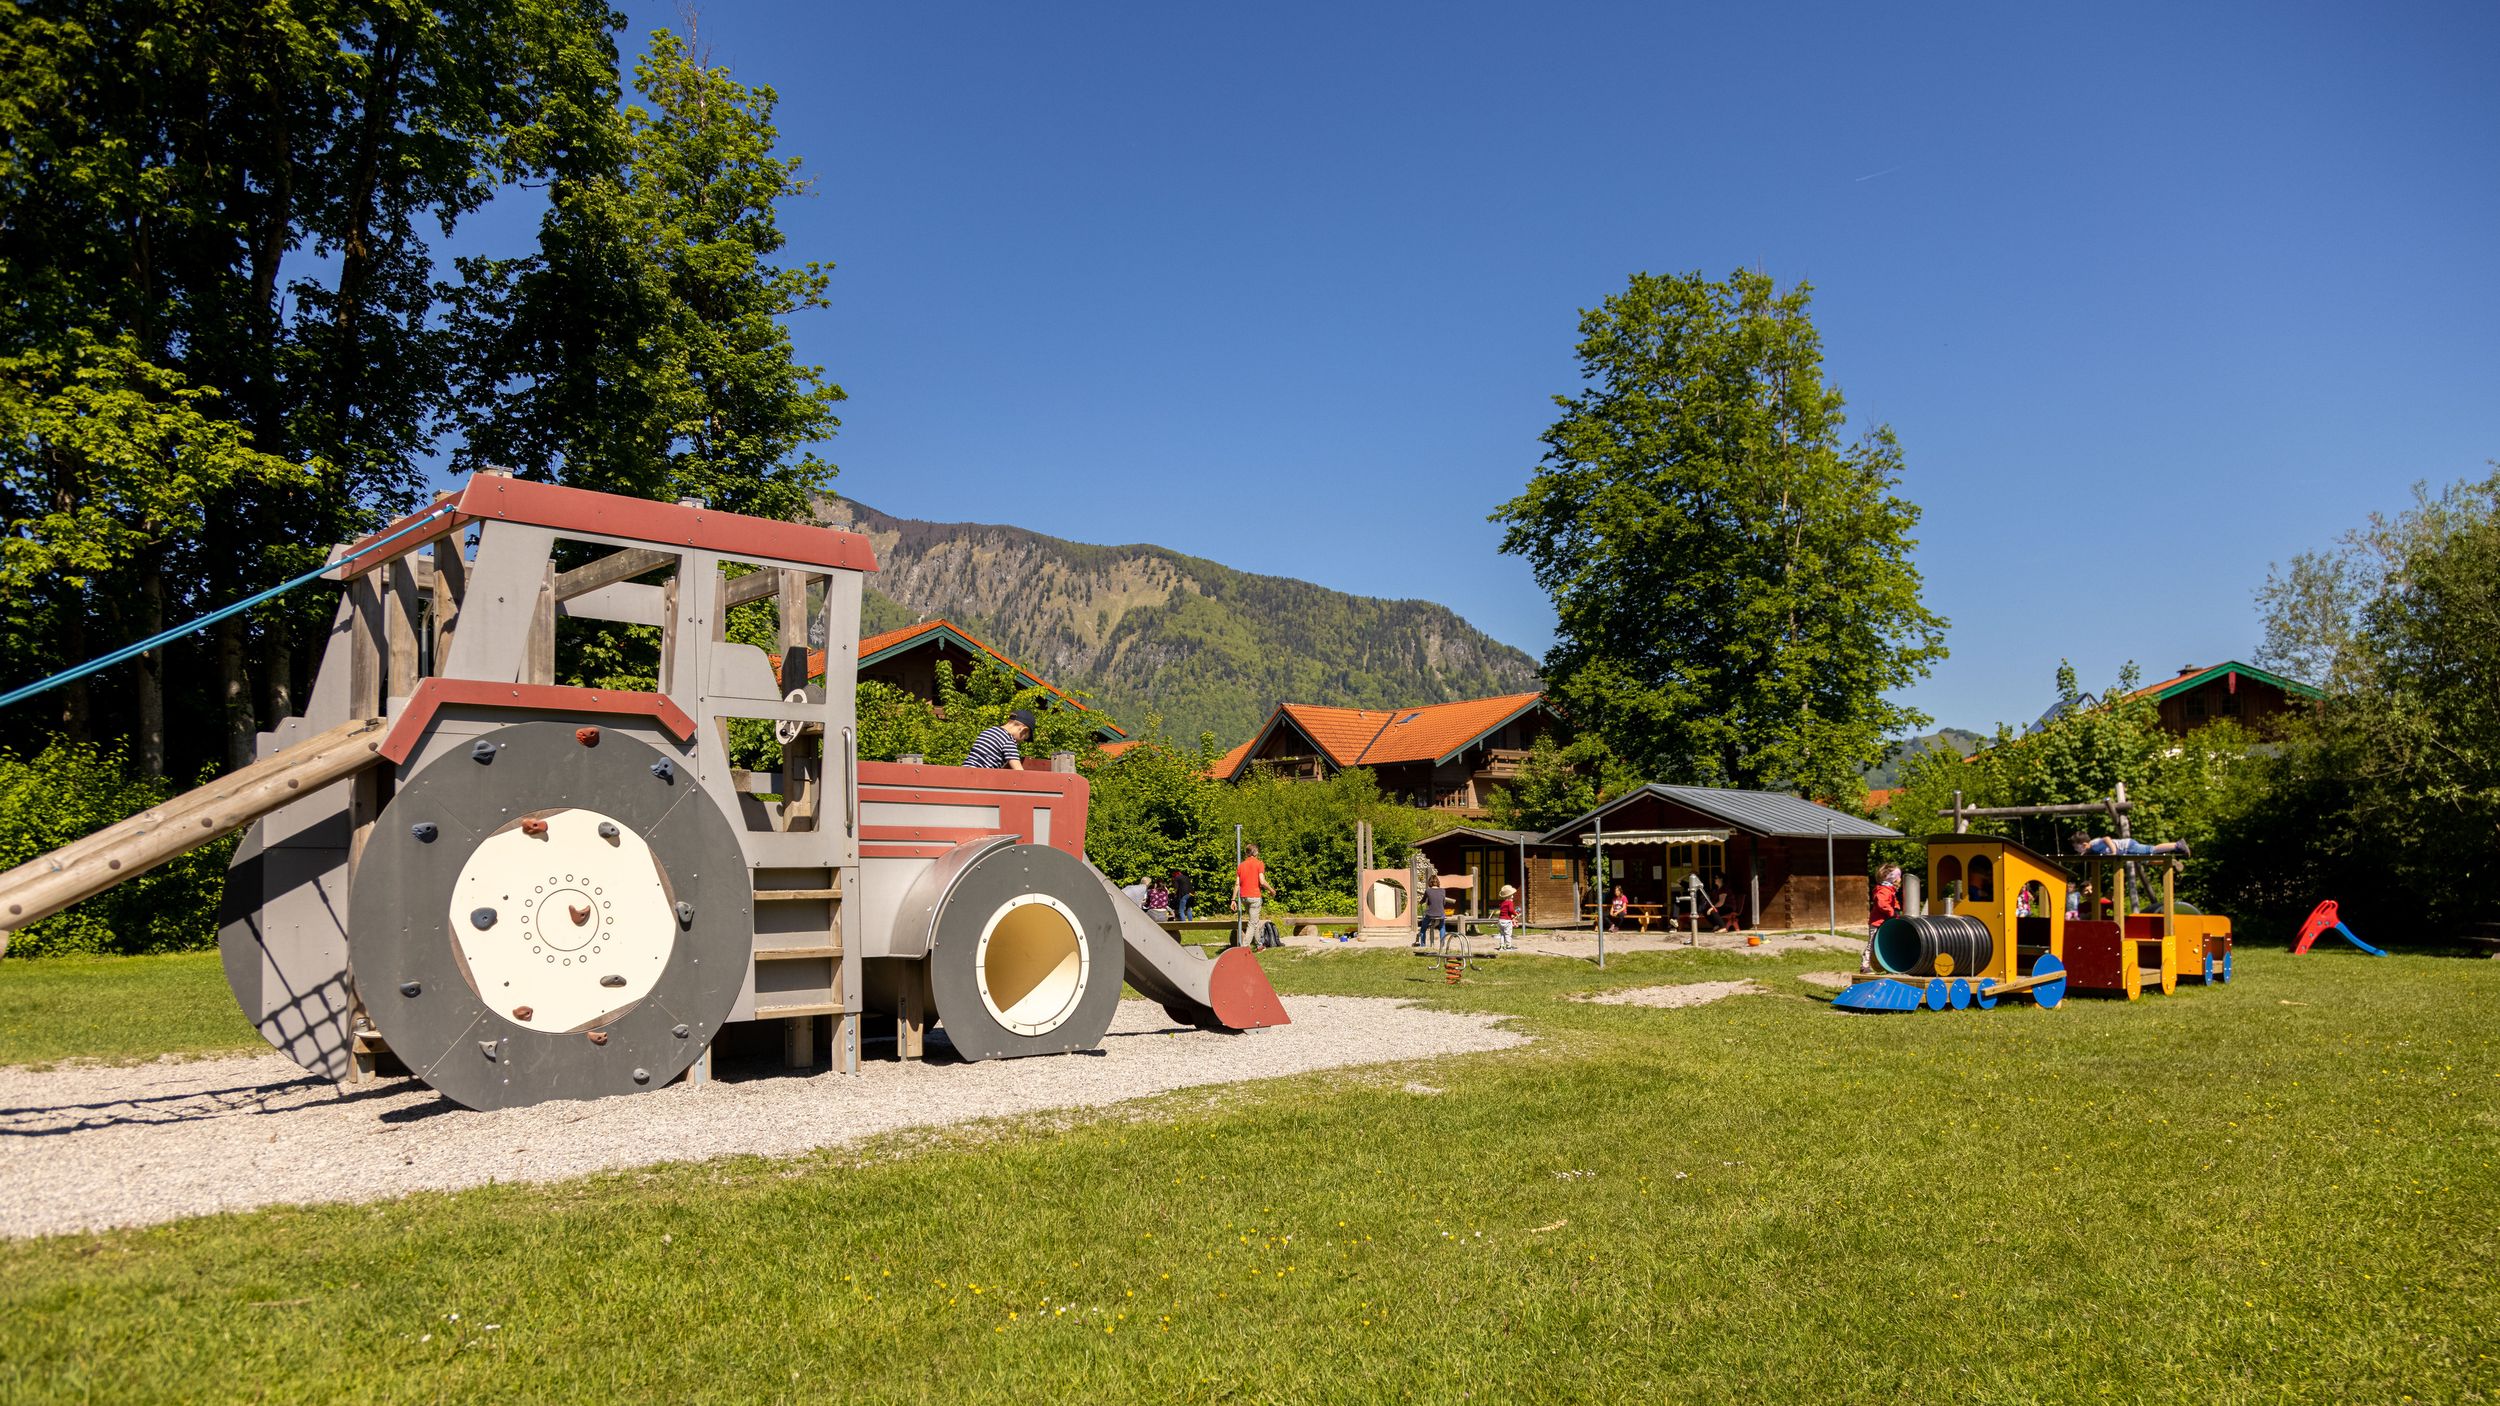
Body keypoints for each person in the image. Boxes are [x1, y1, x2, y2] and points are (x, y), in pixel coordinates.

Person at [965, 709, 1037, 770]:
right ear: (1023, 730)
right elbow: (1019, 770)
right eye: (1025, 738)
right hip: (980, 776)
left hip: (965, 770)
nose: (1021, 741)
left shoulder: (989, 731)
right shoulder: (1008, 740)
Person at [1235, 844, 1276, 945]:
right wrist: (1272, 890)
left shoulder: (1241, 865)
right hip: (1254, 897)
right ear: (1256, 853)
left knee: (1255, 921)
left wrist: (1233, 899)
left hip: (1244, 897)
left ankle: (1259, 944)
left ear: (1246, 853)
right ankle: (1244, 948)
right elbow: (1262, 881)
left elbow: (1237, 884)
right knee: (1252, 923)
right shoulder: (1259, 863)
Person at [1865, 865, 1902, 974]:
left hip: (1886, 923)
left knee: (1886, 944)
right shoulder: (1883, 890)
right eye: (1898, 877)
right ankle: (1865, 966)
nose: (1900, 880)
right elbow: (1882, 904)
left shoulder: (1890, 890)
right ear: (1892, 879)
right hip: (1877, 923)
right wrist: (1892, 912)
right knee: (1872, 944)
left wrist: (1897, 909)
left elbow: (1893, 902)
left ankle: (1888, 967)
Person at [2068, 833, 2191, 858]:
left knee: (2151, 850)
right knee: (2145, 859)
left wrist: (2113, 851)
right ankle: (2174, 851)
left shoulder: (2094, 843)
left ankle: (2177, 845)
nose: (2075, 849)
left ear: (2084, 844)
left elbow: (2106, 838)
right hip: (2126, 849)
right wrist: (2084, 853)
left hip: (2127, 846)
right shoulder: (2091, 848)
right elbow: (2088, 852)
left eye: (2076, 847)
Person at [1419, 880, 1448, 952]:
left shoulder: (1428, 891)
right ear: (1438, 882)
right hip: (1440, 913)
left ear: (1430, 883)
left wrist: (1420, 902)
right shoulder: (1443, 890)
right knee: (1442, 927)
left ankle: (1423, 944)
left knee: (1423, 928)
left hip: (1430, 914)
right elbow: (1443, 902)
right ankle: (1442, 945)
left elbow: (1423, 900)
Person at [1495, 883, 1518, 950]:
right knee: (1508, 934)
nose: (1513, 896)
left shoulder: (1502, 903)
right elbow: (1511, 910)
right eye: (1512, 895)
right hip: (1506, 921)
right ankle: (1508, 946)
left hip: (1500, 920)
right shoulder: (1510, 902)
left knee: (1502, 934)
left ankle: (1501, 946)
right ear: (1509, 896)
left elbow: (1504, 911)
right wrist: (1515, 914)